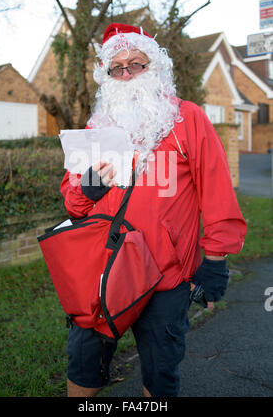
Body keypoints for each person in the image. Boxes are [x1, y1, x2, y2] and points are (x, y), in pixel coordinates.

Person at [60, 23, 247, 398]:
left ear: (155, 68)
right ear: (107, 76)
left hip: (166, 276)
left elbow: (216, 192)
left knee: (160, 374)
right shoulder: (95, 128)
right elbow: (72, 200)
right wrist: (88, 188)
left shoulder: (187, 118)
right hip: (104, 273)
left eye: (136, 64)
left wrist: (214, 260)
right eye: (117, 68)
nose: (126, 74)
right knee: (84, 364)